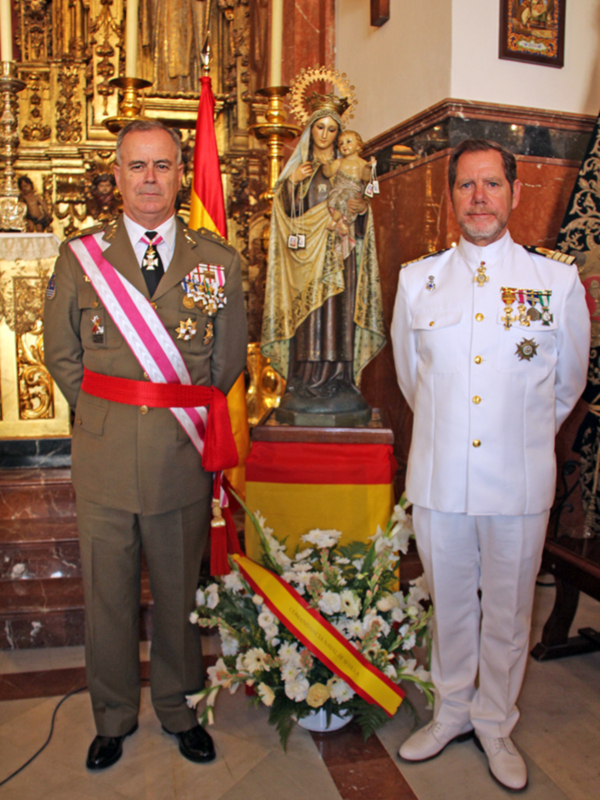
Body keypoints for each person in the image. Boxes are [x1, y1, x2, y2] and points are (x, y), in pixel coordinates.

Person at [43, 119, 247, 770]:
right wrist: (111, 415)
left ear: (181, 173)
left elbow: (225, 360)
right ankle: (112, 714)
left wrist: (170, 412)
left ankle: (180, 707)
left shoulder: (217, 260)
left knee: (179, 594)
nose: (150, 179)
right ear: (117, 175)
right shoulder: (81, 259)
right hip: (103, 456)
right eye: (137, 166)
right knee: (108, 593)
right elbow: (62, 354)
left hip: (180, 456)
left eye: (163, 166)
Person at [391, 138, 590, 791]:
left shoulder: (554, 282)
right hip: (440, 475)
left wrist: (517, 434)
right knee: (448, 603)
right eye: (466, 186)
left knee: (507, 610)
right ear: (450, 196)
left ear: (515, 192)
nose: (479, 198)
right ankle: (451, 711)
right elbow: (412, 380)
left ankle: (496, 721)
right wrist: (457, 433)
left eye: (491, 185)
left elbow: (565, 386)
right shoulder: (416, 282)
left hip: (519, 478)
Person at [261, 95, 385, 426]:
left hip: (340, 257)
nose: (326, 135)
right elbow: (284, 212)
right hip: (304, 260)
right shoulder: (299, 171)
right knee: (309, 316)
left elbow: (364, 203)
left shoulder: (352, 166)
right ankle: (303, 380)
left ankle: (339, 380)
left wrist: (361, 211)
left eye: (333, 129)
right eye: (320, 127)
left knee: (337, 315)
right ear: (310, 130)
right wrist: (292, 185)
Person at [323, 130, 376, 258]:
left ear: (358, 146)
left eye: (348, 142)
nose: (344, 146)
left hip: (352, 192)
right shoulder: (339, 162)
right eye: (341, 144)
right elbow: (328, 173)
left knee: (344, 200)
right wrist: (325, 163)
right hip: (338, 190)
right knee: (335, 199)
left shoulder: (361, 162)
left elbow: (365, 178)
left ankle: (339, 222)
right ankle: (340, 223)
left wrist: (369, 167)